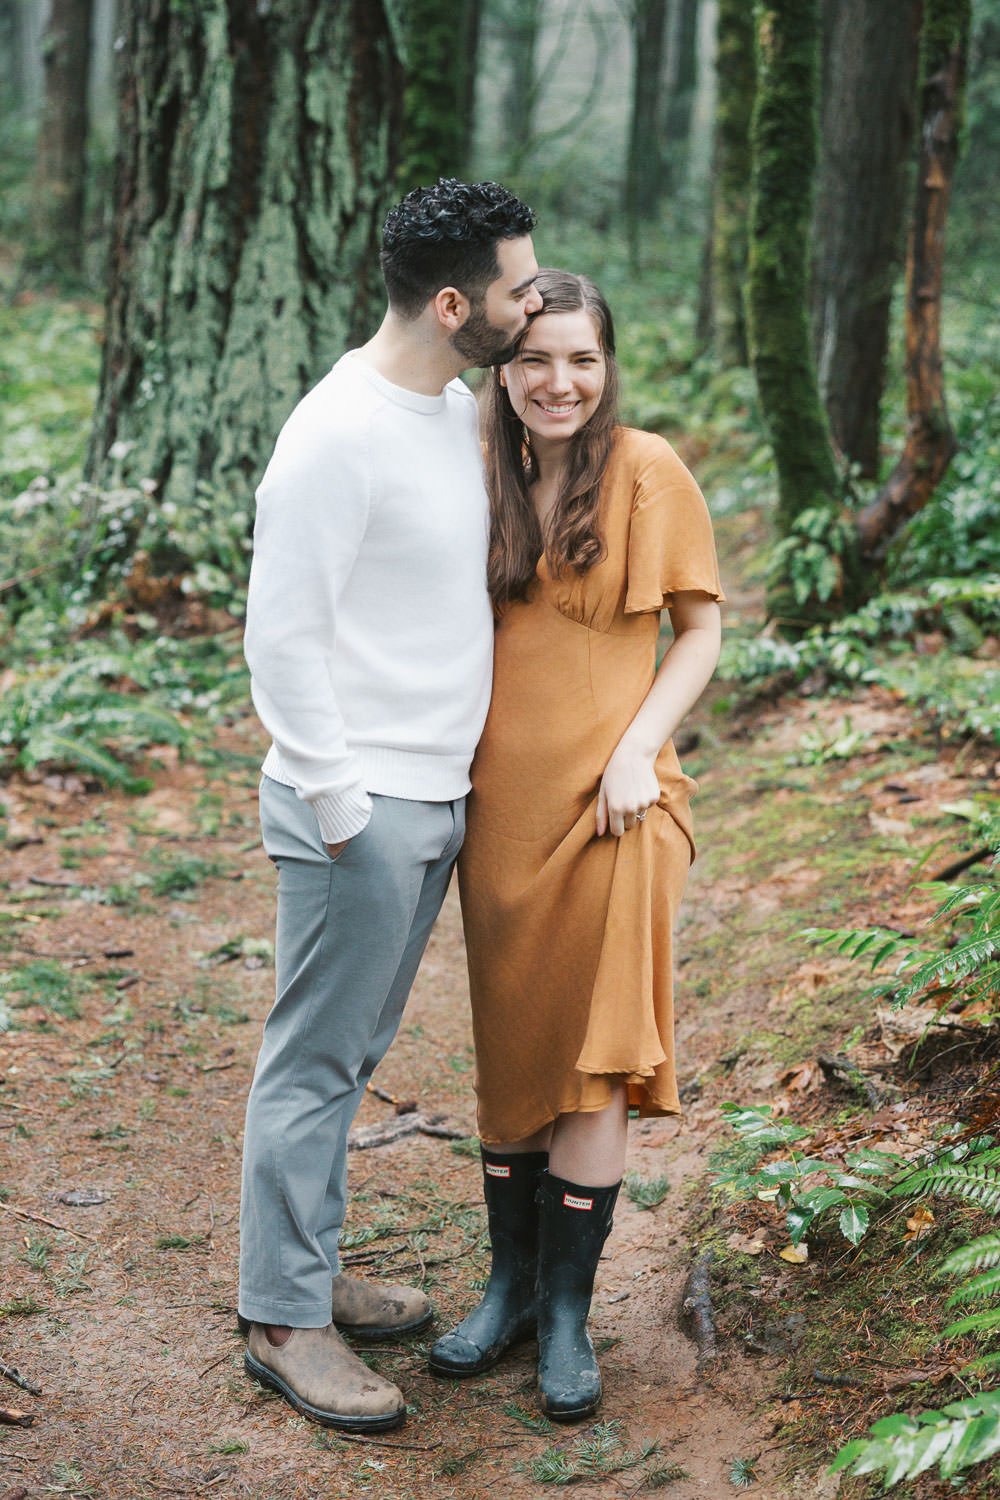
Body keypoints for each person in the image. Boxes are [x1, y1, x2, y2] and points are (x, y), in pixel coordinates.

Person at [239, 179, 541, 1433]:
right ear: (456, 303)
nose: (535, 302)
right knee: (312, 1064)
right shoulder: (334, 433)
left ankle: (309, 1272)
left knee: (352, 1056)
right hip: (359, 805)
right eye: (520, 287)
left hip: (434, 792)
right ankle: (283, 1323)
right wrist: (341, 802)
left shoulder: (452, 403)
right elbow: (280, 635)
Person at [429, 270, 724, 1421]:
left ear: (608, 369)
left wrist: (638, 749)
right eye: (536, 360)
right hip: (498, 809)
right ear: (502, 370)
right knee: (515, 1053)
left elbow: (699, 632)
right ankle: (506, 1288)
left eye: (582, 360)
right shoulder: (477, 472)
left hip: (620, 803)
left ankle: (565, 1317)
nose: (559, 382)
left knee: (597, 1053)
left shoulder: (647, 469)